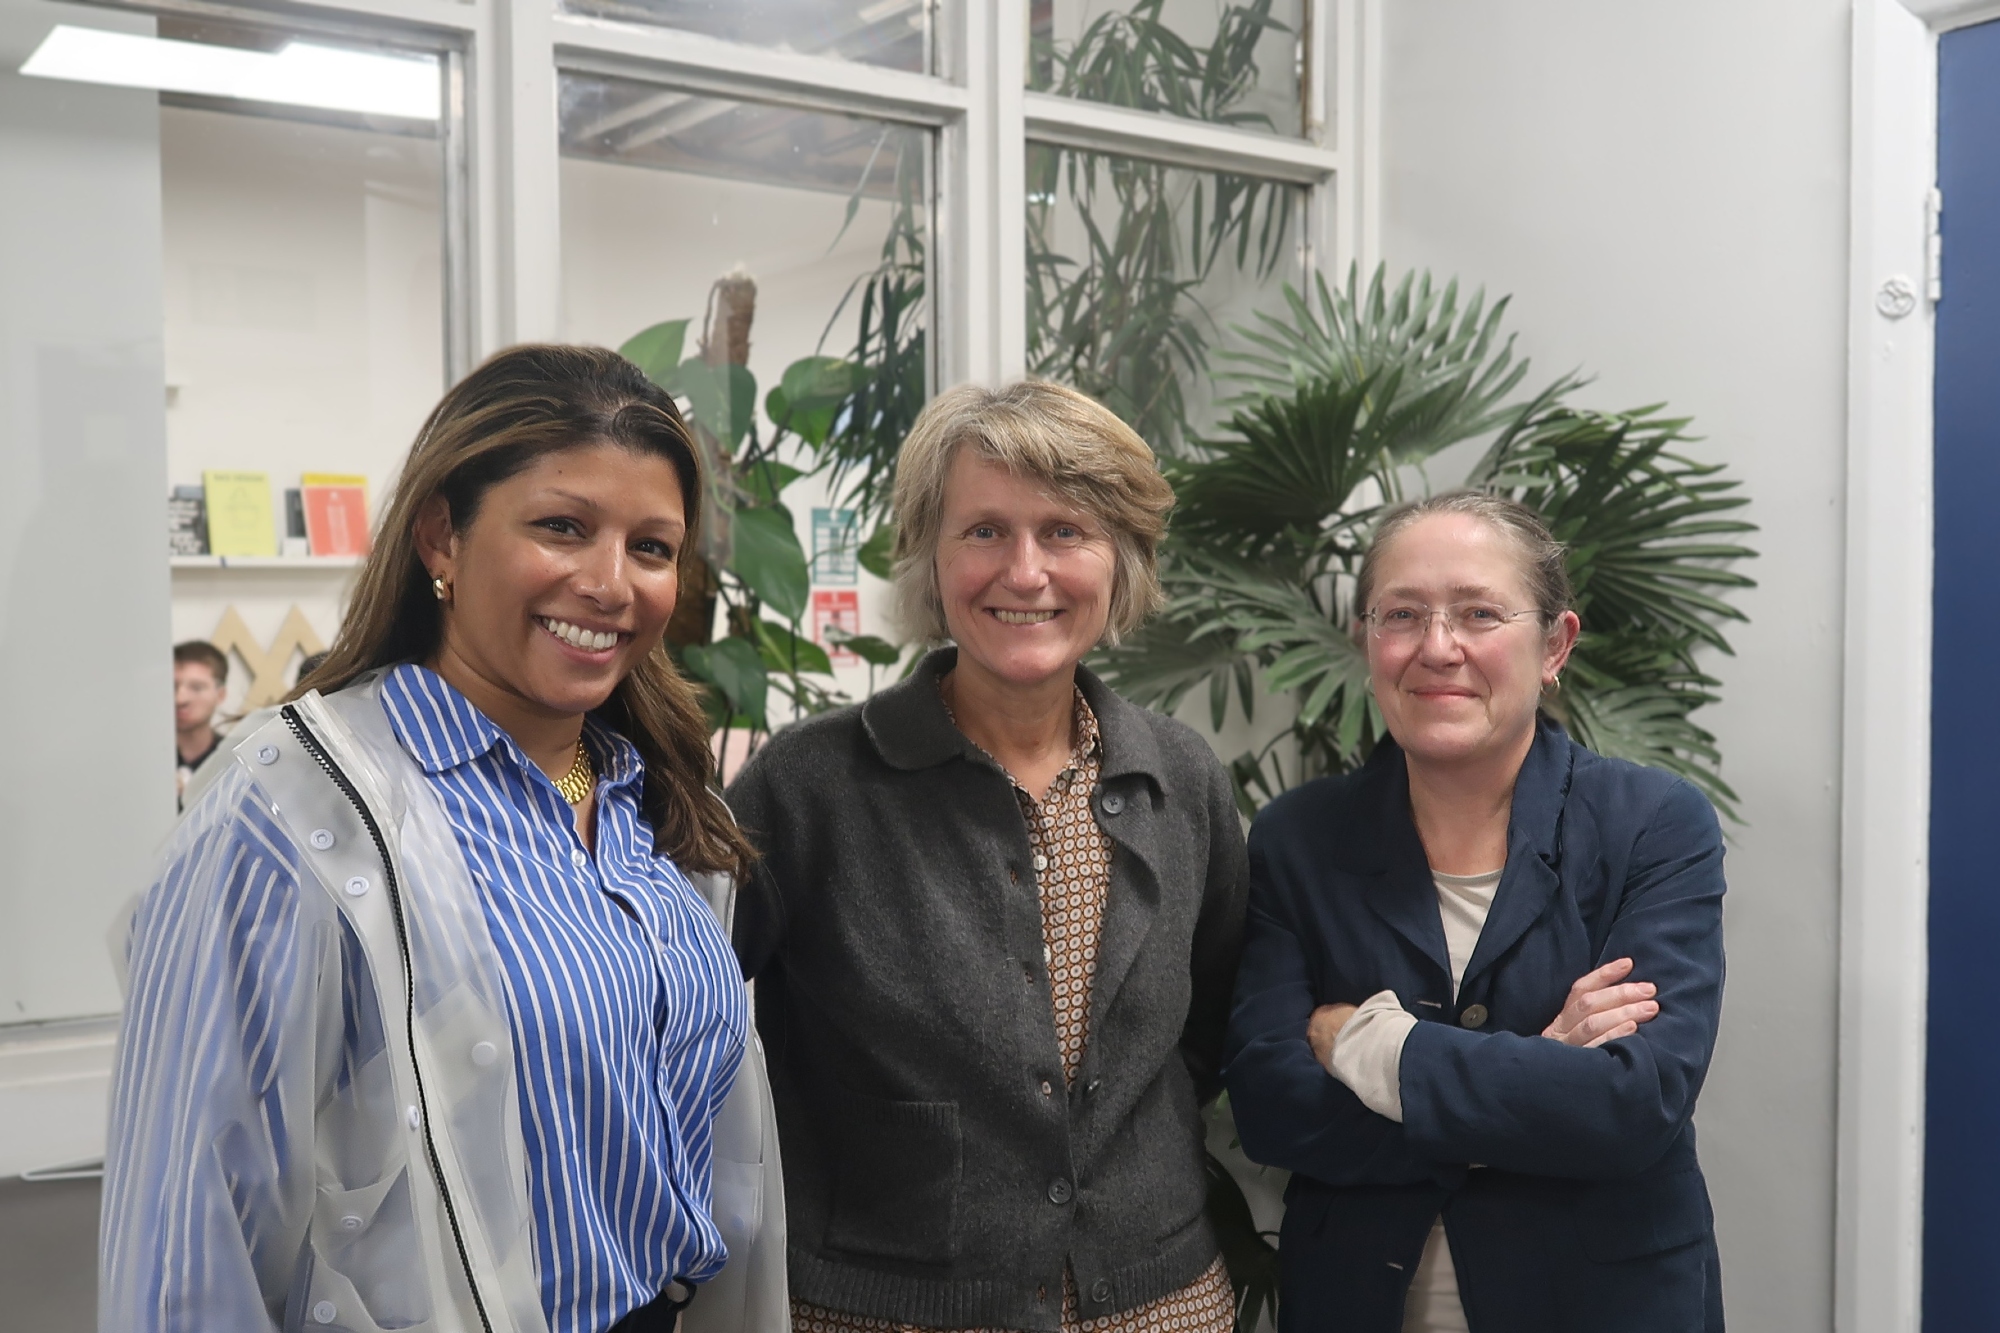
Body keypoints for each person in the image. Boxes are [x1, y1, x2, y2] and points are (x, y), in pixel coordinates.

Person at [103, 345, 785, 1333]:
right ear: (440, 537)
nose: (610, 583)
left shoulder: (653, 799)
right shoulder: (288, 812)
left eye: (650, 547)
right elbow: (184, 1251)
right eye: (562, 527)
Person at [726, 381, 1247, 1333]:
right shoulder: (809, 785)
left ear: (1121, 557)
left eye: (1065, 531)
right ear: (931, 554)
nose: (1025, 570)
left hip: (1160, 1303)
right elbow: (687, 1028)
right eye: (984, 531)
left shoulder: (1180, 778)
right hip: (882, 1309)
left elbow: (1208, 1027)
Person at [1223, 491, 1727, 1333]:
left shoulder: (1653, 823)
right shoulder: (1298, 837)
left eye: (1479, 613)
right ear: (1366, 638)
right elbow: (1272, 1106)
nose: (1437, 646)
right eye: (1402, 614)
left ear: (1554, 644)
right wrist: (1541, 1073)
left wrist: (1374, 1046)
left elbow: (1633, 1106)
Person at [172, 639, 228, 809]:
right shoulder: (142, 759)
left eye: (196, 688)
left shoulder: (232, 760)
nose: (180, 699)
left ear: (220, 694)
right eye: (172, 686)